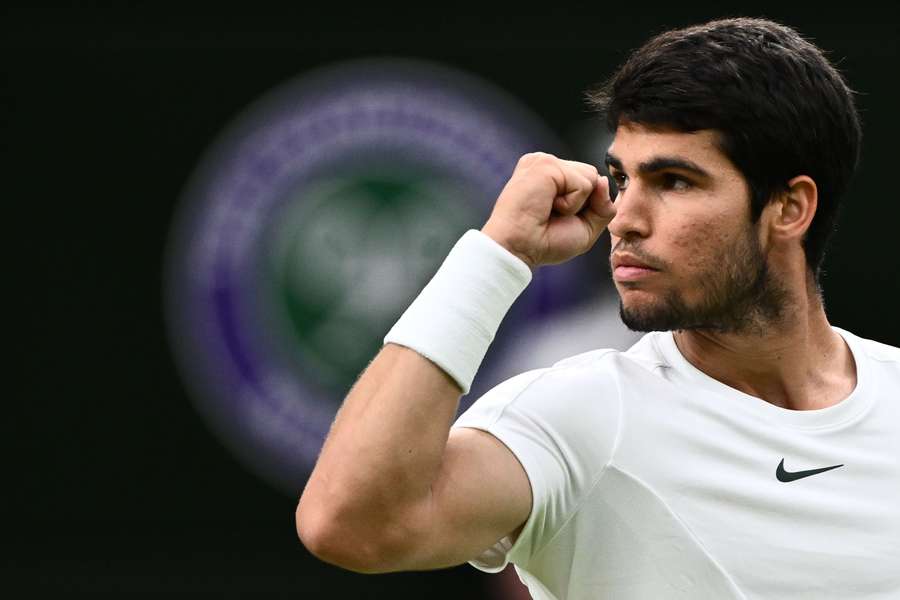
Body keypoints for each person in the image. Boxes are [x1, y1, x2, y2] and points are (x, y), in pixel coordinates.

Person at [295, 17, 900, 599]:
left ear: (790, 208)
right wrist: (494, 254)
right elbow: (346, 524)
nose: (625, 219)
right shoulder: (581, 412)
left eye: (674, 181)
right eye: (622, 178)